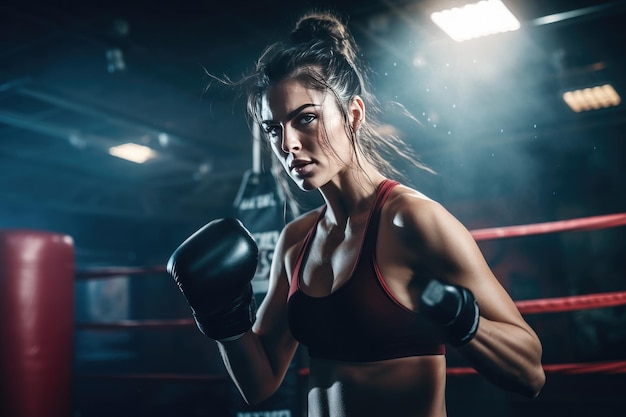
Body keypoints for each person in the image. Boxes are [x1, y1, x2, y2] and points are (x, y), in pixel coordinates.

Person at [167, 9, 545, 417]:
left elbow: (530, 374)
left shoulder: (413, 221)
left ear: (353, 115)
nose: (288, 143)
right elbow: (259, 385)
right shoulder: (296, 242)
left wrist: (464, 322)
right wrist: (223, 321)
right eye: (274, 129)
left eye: (305, 118)